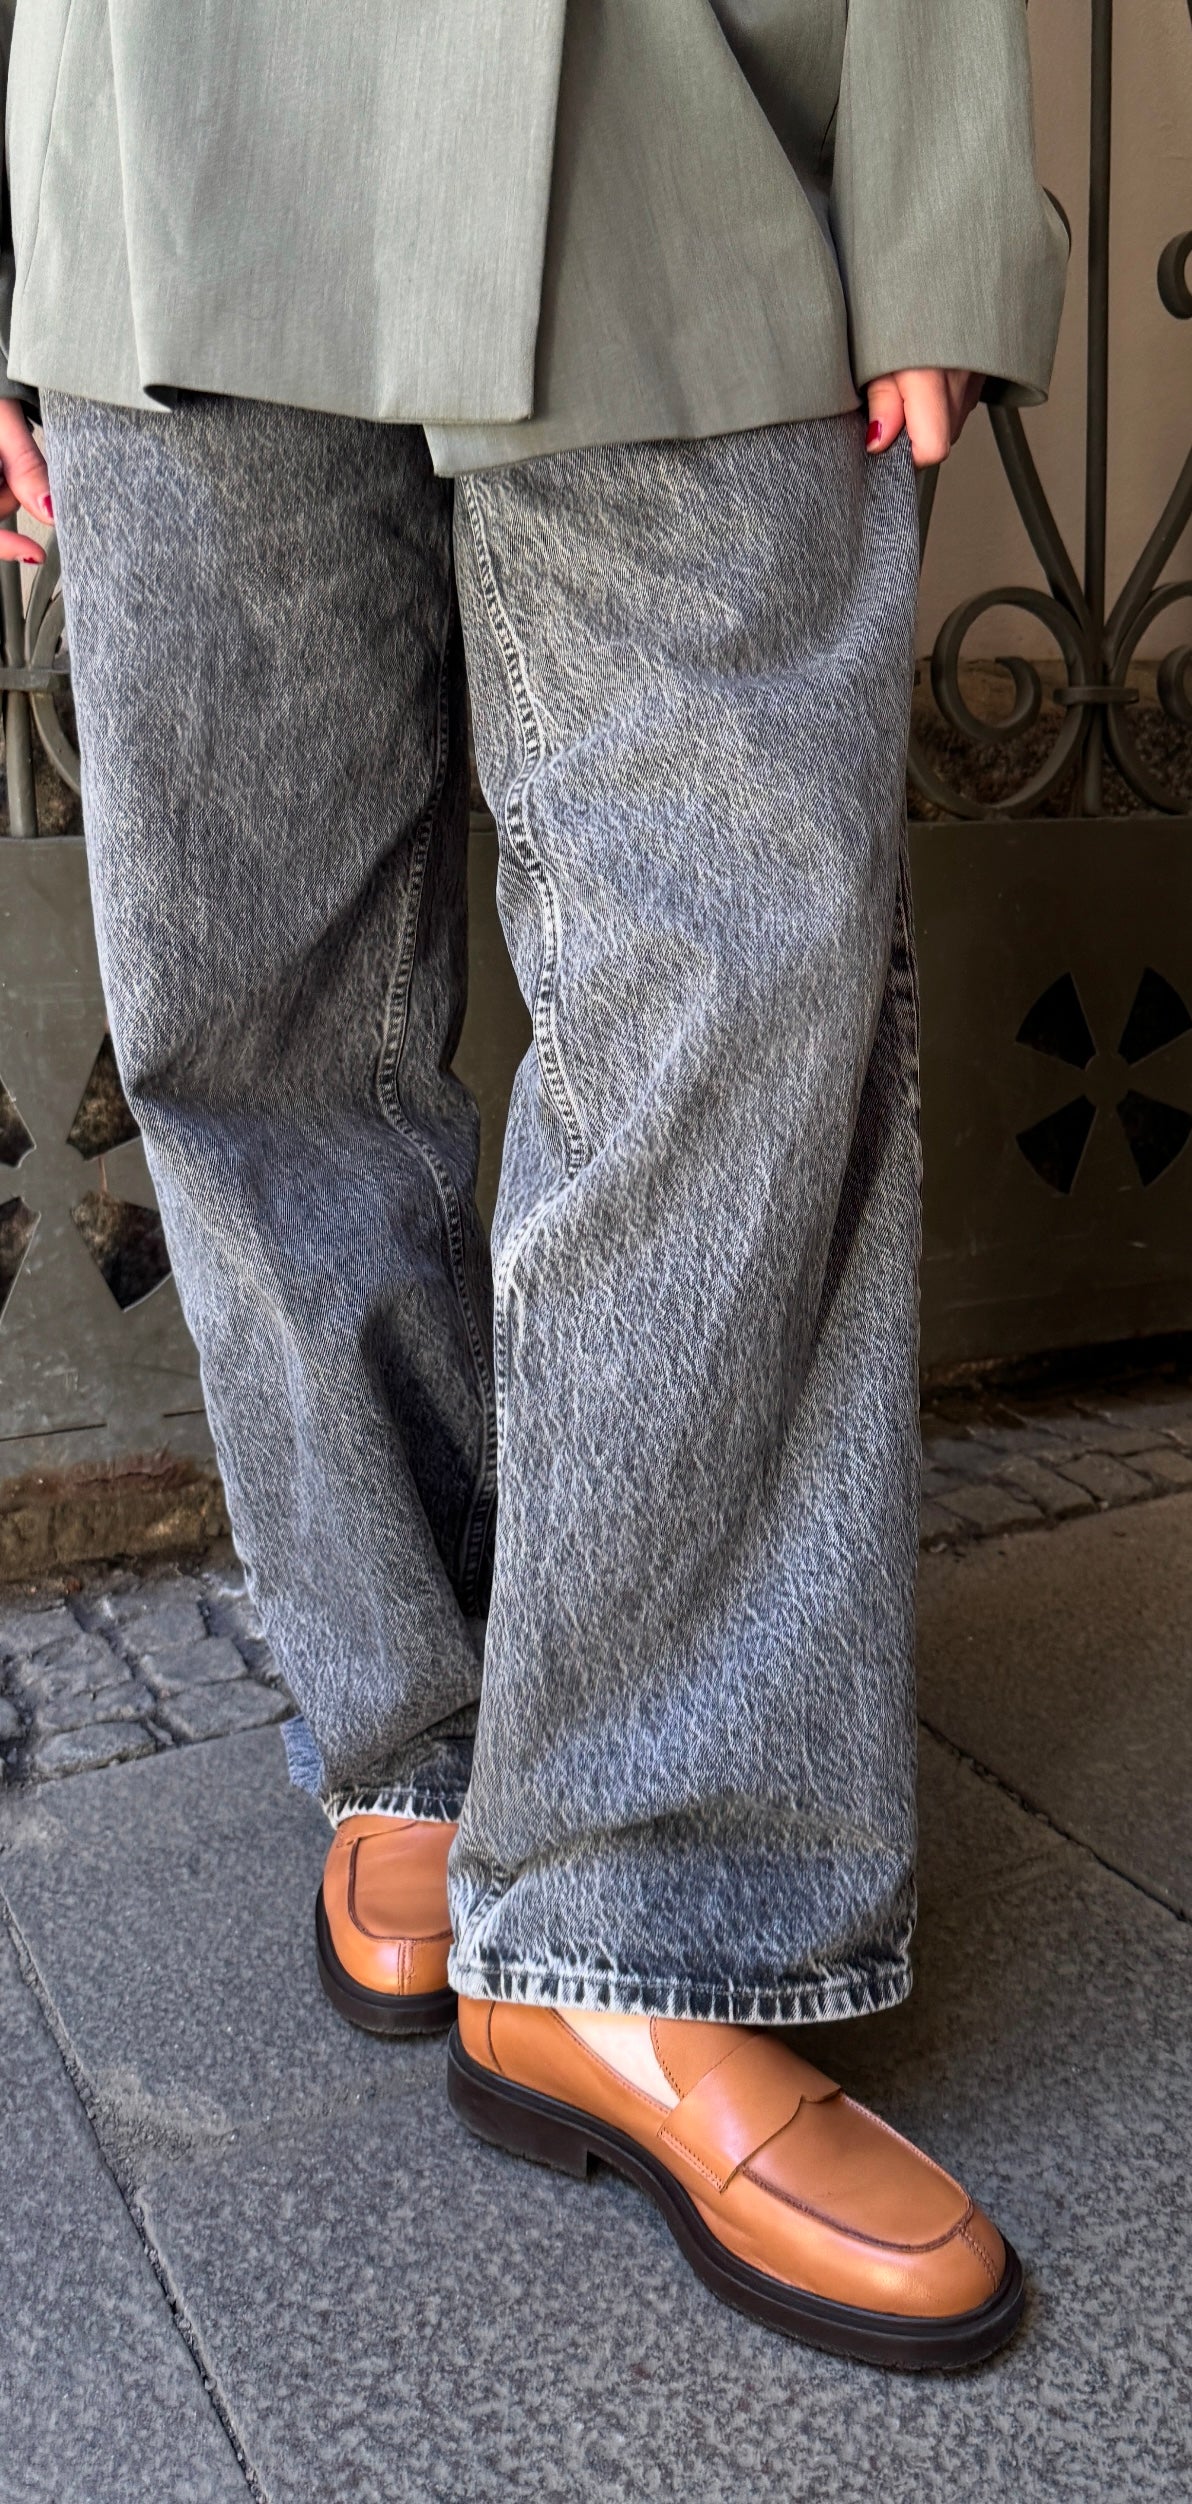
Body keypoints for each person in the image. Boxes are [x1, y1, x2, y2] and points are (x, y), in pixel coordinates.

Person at [0, 1, 1066, 2369]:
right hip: (165, 116)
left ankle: (643, 1916)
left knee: (729, 1000)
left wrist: (925, 183)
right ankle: (417, 1720)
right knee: (253, 1017)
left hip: (689, 92)